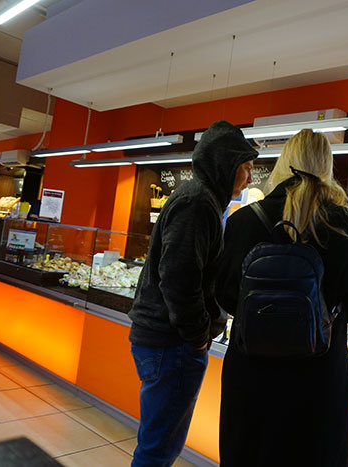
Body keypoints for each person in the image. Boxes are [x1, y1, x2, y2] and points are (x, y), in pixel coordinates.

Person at [215, 129, 348, 467]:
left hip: (252, 376)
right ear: (326, 166)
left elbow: (226, 296)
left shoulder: (244, 220)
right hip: (319, 382)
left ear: (284, 162)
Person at [128, 120, 258, 467]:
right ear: (225, 165)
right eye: (245, 168)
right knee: (158, 449)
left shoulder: (203, 199)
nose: (250, 178)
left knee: (158, 441)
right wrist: (198, 335)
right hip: (173, 343)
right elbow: (179, 277)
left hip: (168, 340)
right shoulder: (198, 203)